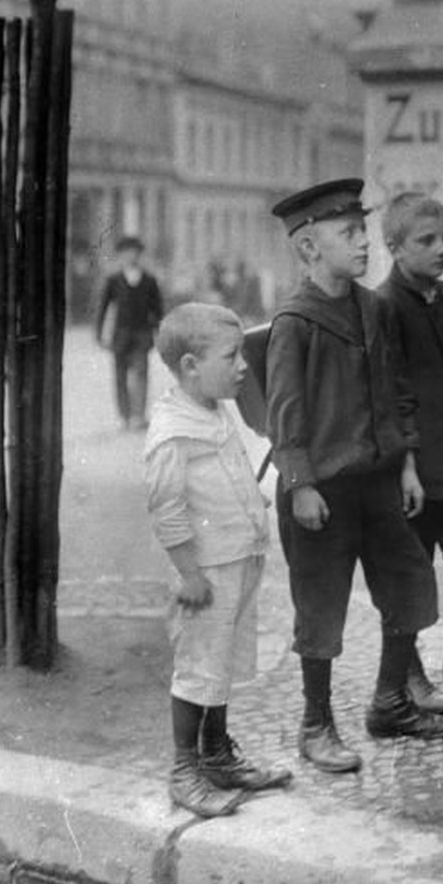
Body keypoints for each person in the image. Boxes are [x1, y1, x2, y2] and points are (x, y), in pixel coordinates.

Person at [264, 177, 443, 776]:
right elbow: (284, 412)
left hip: (378, 482)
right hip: (320, 490)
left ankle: (391, 701)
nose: (363, 244)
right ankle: (316, 724)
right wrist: (299, 485)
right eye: (348, 234)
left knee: (408, 584)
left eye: (362, 231)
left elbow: (396, 392)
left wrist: (405, 463)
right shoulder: (295, 321)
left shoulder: (373, 309)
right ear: (308, 249)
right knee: (320, 608)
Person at [143, 302, 292, 818]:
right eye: (232, 357)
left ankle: (217, 754)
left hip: (239, 558)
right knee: (197, 669)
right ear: (189, 366)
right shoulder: (172, 431)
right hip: (205, 573)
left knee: (220, 664)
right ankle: (185, 771)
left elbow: (226, 477)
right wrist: (188, 573)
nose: (244, 366)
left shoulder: (213, 409)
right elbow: (166, 507)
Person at [376, 192, 443, 706]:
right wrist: (408, 464)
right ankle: (409, 675)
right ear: (395, 248)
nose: (441, 249)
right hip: (416, 474)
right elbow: (393, 393)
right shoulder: (384, 306)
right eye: (426, 241)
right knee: (412, 581)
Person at [95, 235, 164, 431]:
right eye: (126, 253)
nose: (130, 257)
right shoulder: (113, 280)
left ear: (139, 255)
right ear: (120, 256)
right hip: (120, 335)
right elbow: (103, 307)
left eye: (134, 252)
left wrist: (160, 333)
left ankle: (139, 415)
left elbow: (158, 310)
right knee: (120, 375)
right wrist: (99, 333)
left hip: (142, 334)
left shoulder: (149, 280)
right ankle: (124, 416)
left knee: (141, 373)